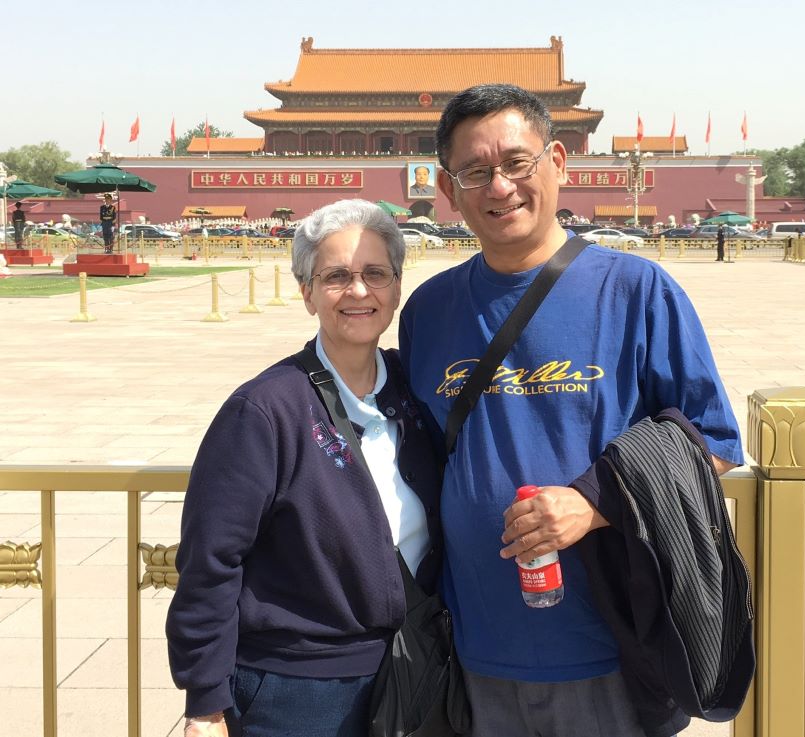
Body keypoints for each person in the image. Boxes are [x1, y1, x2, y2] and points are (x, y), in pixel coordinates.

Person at [399, 83, 744, 737]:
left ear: (558, 162)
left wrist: (595, 504)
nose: (498, 187)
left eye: (516, 163)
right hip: (470, 646)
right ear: (449, 191)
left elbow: (717, 442)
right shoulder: (430, 309)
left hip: (607, 649)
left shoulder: (635, 290)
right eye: (475, 171)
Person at [166, 199, 443, 737]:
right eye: (336, 276)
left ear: (396, 287)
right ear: (306, 292)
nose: (358, 291)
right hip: (297, 689)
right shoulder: (266, 410)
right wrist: (205, 700)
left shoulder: (416, 392)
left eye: (375, 274)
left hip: (413, 667)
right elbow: (210, 559)